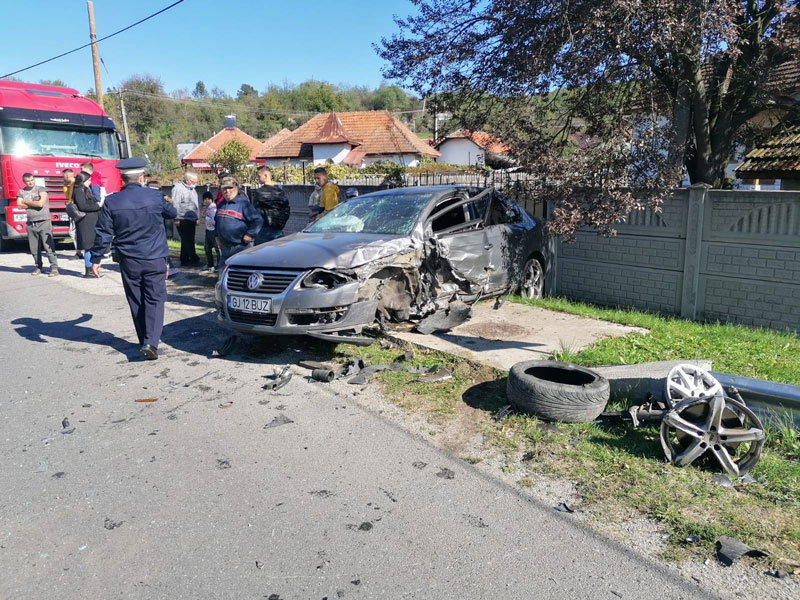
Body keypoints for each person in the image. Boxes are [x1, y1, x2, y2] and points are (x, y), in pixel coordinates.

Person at [89, 158, 178, 361]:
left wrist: (96, 258)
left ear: (123, 178)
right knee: (155, 299)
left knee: (136, 300)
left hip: (129, 259)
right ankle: (151, 342)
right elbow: (172, 212)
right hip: (154, 257)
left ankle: (143, 340)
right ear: (141, 178)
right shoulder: (154, 196)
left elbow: (103, 232)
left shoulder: (112, 201)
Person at [215, 176, 263, 266]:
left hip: (241, 247)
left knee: (242, 271)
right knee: (223, 271)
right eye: (224, 188)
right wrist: (216, 236)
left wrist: (250, 234)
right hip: (225, 247)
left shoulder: (243, 204)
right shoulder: (221, 204)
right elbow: (217, 221)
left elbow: (258, 220)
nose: (227, 191)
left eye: (230, 188)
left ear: (236, 188)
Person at [17, 173, 59, 276]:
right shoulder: (21, 191)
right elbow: (19, 205)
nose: (31, 182)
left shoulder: (41, 189)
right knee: (34, 248)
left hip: (44, 221)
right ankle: (38, 267)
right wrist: (33, 202)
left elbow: (40, 204)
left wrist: (26, 201)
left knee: (48, 246)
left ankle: (54, 268)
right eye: (28, 181)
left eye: (32, 180)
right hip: (30, 223)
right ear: (24, 182)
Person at [72, 171, 102, 278]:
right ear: (82, 180)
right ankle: (88, 270)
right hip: (85, 222)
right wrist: (97, 206)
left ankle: (92, 268)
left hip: (91, 221)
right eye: (88, 180)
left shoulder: (85, 189)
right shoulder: (78, 190)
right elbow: (83, 206)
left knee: (92, 245)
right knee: (88, 246)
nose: (90, 182)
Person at [252, 166, 290, 244]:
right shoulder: (280, 191)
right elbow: (287, 209)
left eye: (259, 176)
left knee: (262, 251)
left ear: (265, 175)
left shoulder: (260, 192)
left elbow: (254, 212)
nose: (258, 178)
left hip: (263, 229)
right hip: (278, 228)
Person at [171, 171, 200, 267]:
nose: (196, 184)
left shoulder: (192, 189)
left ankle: (184, 259)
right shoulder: (178, 189)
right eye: (194, 182)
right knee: (188, 240)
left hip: (192, 218)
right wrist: (176, 218)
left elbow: (195, 204)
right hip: (182, 218)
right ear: (188, 180)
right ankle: (194, 260)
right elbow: (175, 204)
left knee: (186, 240)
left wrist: (197, 217)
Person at [148, 180, 175, 275]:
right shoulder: (160, 197)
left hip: (147, 227)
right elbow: (172, 212)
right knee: (161, 248)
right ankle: (167, 268)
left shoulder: (142, 197)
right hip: (157, 227)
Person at [63, 168, 81, 259]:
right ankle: (79, 251)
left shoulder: (74, 184)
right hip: (75, 209)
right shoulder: (72, 184)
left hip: (75, 210)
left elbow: (70, 198)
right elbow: (68, 196)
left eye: (63, 176)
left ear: (67, 176)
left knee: (72, 232)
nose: (63, 178)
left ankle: (79, 252)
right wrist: (66, 187)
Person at [201, 191, 220, 271]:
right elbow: (203, 215)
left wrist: (206, 217)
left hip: (213, 230)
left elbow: (213, 220)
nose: (205, 201)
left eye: (205, 200)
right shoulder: (208, 207)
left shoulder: (213, 208)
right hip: (208, 230)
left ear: (208, 199)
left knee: (217, 248)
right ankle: (210, 264)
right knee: (207, 248)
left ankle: (218, 265)